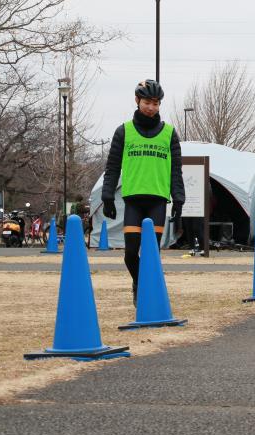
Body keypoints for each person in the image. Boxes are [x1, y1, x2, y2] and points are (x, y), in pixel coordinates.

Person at [101, 79, 185, 306]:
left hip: (157, 200)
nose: (151, 107)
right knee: (130, 254)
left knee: (152, 253)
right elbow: (112, 166)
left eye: (156, 103)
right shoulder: (124, 131)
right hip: (133, 201)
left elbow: (176, 170)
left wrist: (179, 199)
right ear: (137, 101)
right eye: (147, 102)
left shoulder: (169, 133)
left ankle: (147, 292)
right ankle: (140, 283)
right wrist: (107, 195)